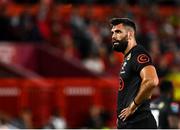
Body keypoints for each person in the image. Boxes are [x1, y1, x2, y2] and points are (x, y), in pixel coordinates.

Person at [110, 18, 159, 129]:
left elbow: (152, 81)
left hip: (139, 122)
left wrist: (132, 107)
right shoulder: (128, 57)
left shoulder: (138, 53)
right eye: (112, 32)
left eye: (118, 32)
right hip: (130, 123)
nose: (113, 36)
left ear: (130, 34)